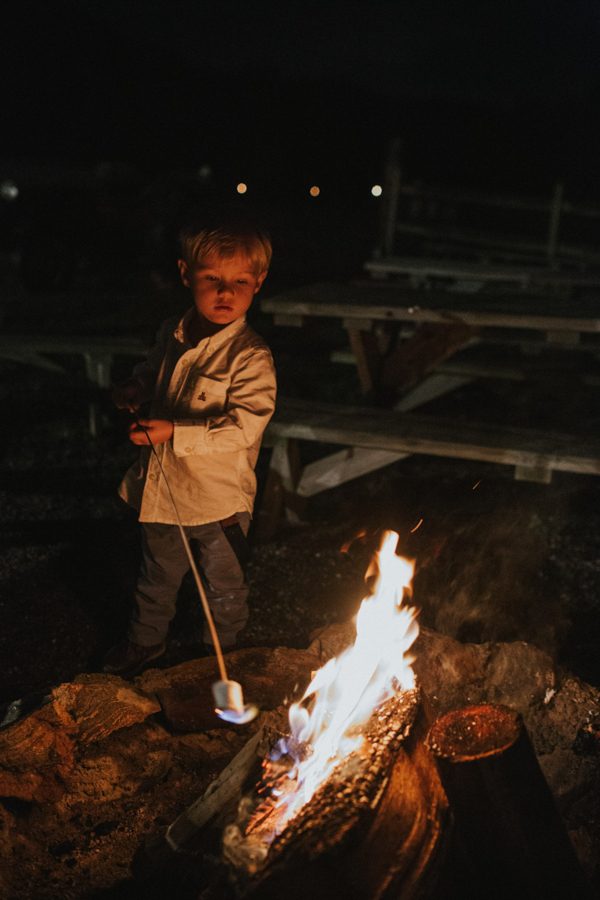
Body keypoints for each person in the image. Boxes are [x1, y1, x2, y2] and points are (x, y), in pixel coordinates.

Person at [102, 216, 276, 676]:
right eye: (212, 279)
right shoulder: (172, 334)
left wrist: (175, 430)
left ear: (257, 284)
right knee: (157, 575)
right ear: (185, 274)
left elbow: (245, 426)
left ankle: (225, 653)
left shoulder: (250, 356)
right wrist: (137, 389)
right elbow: (153, 373)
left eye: (240, 281)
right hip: (165, 489)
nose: (226, 292)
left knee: (223, 583)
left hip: (217, 499)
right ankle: (145, 643)